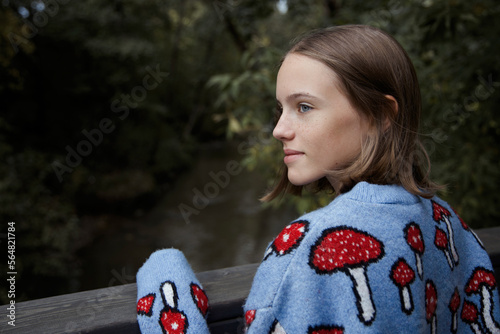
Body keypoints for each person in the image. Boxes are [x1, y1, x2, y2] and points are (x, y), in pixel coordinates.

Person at [135, 25, 500, 334]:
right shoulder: (446, 222)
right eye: (281, 110)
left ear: (380, 115)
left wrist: (166, 287)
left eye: (304, 107)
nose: (279, 130)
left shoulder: (306, 246)